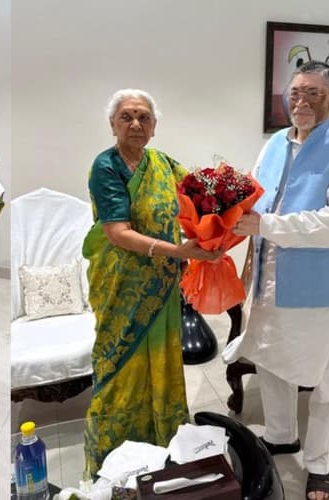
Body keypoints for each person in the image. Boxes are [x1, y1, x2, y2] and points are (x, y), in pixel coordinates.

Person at [226, 61, 329, 500]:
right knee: (270, 362)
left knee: (325, 381)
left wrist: (266, 226)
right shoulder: (275, 143)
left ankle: (319, 464)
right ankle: (281, 434)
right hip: (269, 281)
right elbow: (253, 197)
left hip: (317, 289)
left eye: (313, 93)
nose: (301, 101)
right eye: (294, 93)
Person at [81, 89, 219, 476]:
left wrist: (228, 209)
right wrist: (179, 251)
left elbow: (202, 195)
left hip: (161, 283)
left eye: (144, 117)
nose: (135, 124)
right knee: (118, 362)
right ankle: (113, 451)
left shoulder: (162, 164)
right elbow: (117, 232)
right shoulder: (105, 166)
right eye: (126, 116)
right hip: (120, 282)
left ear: (154, 127)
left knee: (162, 358)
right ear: (112, 125)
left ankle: (162, 437)